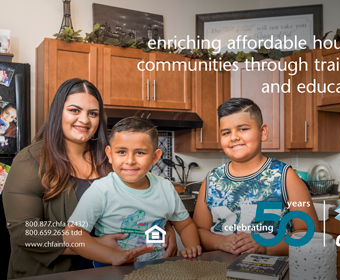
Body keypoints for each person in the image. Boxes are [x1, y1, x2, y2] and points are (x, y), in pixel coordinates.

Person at [2, 78, 177, 279]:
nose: (84, 120)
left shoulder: (109, 158)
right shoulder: (30, 160)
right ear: (58, 112)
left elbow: (144, 196)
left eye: (92, 113)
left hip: (110, 271)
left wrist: (165, 226)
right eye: (74, 110)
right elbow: (25, 231)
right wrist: (91, 245)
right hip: (50, 274)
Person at [64, 117, 202, 266]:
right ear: (110, 155)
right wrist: (112, 256)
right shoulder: (101, 190)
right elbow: (72, 235)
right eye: (122, 151)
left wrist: (192, 248)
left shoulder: (165, 187)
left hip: (159, 268)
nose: (130, 160)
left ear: (155, 157)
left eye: (140, 153)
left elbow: (186, 225)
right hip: (112, 270)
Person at [193, 98, 320, 256]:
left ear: (263, 132)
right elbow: (198, 231)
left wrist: (266, 246)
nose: (233, 137)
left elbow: (309, 233)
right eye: (226, 132)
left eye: (243, 129)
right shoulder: (212, 179)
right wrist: (219, 242)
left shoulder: (285, 176)